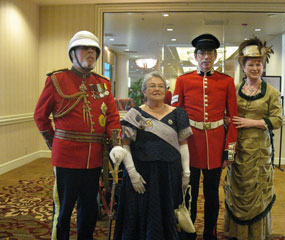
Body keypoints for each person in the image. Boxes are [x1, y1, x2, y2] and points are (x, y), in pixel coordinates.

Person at [34, 30, 126, 240]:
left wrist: (117, 144)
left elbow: (112, 117)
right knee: (64, 209)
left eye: (94, 50)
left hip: (94, 159)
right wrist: (53, 141)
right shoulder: (57, 80)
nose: (91, 53)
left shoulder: (103, 83)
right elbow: (40, 116)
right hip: (66, 157)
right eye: (85, 49)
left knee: (89, 209)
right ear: (73, 53)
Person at [171, 34, 238, 240]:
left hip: (216, 146)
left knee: (211, 195)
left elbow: (233, 119)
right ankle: (189, 231)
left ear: (216, 56)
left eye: (210, 53)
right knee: (188, 192)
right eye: (202, 53)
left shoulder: (226, 82)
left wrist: (230, 151)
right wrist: (176, 147)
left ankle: (210, 232)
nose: (206, 57)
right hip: (190, 145)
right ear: (195, 56)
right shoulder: (183, 80)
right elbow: (175, 114)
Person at [113, 71, 193, 240]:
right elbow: (125, 145)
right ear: (144, 91)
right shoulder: (134, 114)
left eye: (160, 86)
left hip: (169, 174)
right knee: (141, 215)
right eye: (152, 86)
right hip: (143, 174)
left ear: (166, 90)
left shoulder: (178, 113)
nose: (157, 89)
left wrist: (186, 172)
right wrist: (132, 174)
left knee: (167, 212)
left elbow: (183, 144)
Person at [223, 37, 283, 240]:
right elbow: (228, 115)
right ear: (244, 67)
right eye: (251, 64)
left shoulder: (272, 93)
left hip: (259, 152)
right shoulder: (234, 90)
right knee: (236, 187)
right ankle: (235, 233)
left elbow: (278, 120)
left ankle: (257, 234)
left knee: (256, 191)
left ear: (263, 66)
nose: (255, 68)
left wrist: (252, 122)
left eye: (259, 64)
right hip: (236, 148)